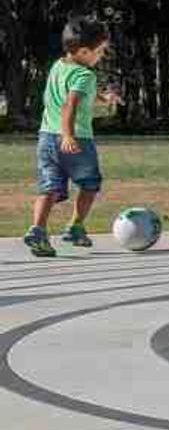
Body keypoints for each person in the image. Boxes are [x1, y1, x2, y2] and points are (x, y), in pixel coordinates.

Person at [24, 16, 117, 258]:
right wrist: (68, 135)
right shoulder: (86, 75)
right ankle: (75, 227)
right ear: (85, 51)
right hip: (75, 140)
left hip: (45, 138)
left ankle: (38, 231)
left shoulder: (59, 66)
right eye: (100, 51)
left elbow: (79, 93)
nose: (101, 56)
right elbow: (70, 104)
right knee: (89, 183)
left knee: (49, 188)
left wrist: (103, 98)